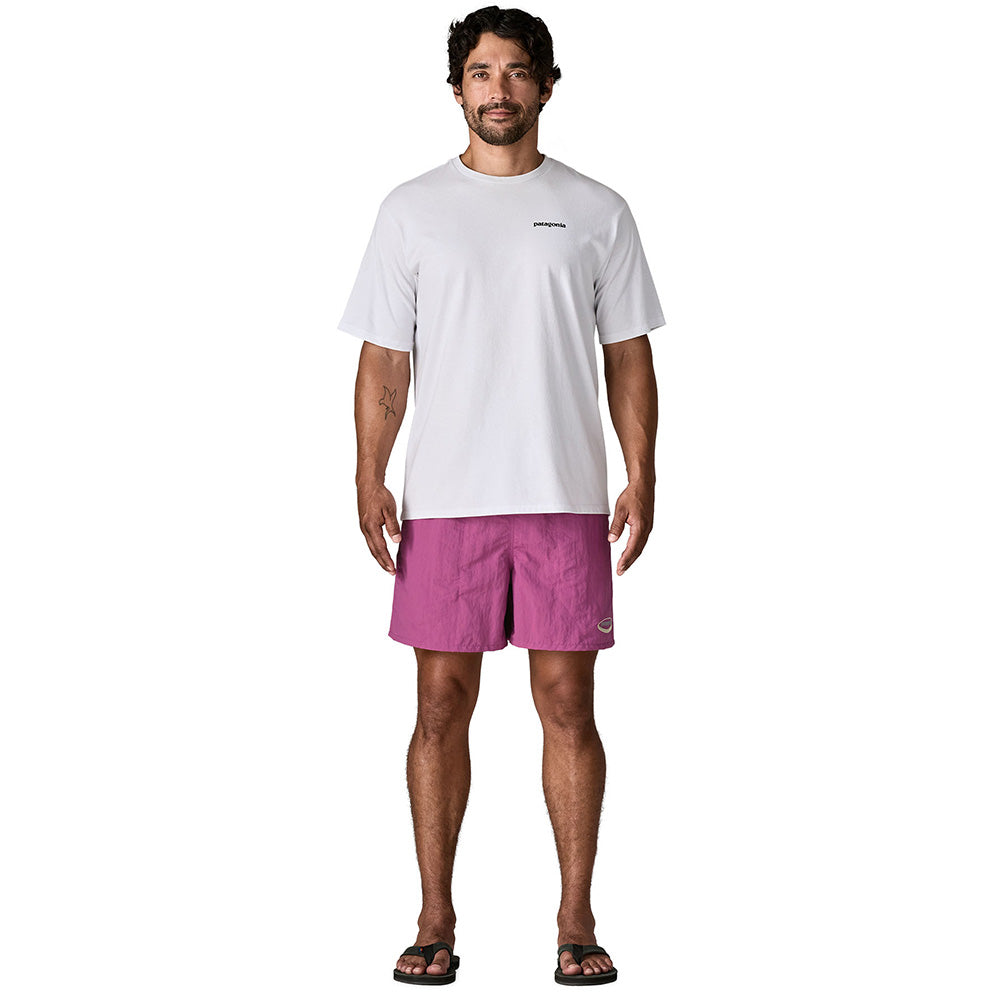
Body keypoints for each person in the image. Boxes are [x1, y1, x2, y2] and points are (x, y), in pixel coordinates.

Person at [338, 5, 664, 986]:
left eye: (517, 71)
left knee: (567, 703)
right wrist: (368, 471)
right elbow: (384, 358)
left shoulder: (598, 209)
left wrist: (642, 469)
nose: (498, 89)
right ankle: (434, 918)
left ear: (547, 86)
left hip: (563, 495)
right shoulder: (411, 209)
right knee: (440, 706)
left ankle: (576, 920)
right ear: (456, 90)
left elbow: (628, 354)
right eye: (480, 72)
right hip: (446, 500)